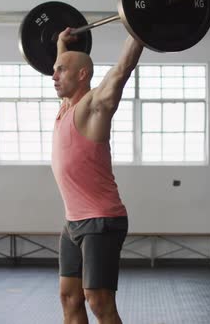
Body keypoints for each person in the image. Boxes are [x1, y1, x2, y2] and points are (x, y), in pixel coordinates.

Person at [50, 27, 143, 324]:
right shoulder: (65, 107)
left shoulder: (93, 107)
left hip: (101, 220)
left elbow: (121, 70)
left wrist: (141, 29)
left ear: (82, 75)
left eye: (60, 70)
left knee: (98, 300)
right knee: (70, 297)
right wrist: (62, 45)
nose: (53, 76)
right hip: (73, 222)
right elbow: (64, 68)